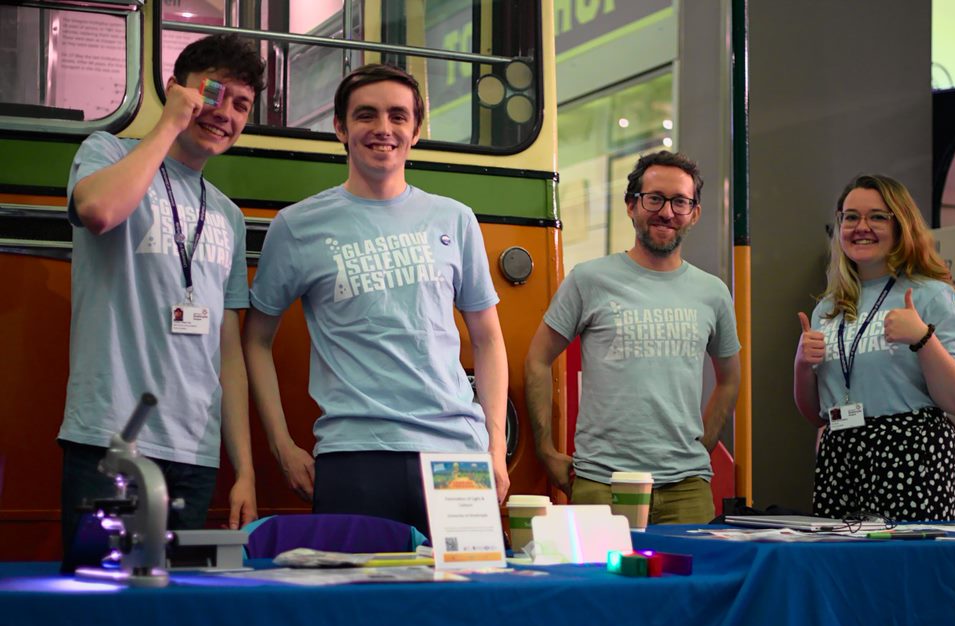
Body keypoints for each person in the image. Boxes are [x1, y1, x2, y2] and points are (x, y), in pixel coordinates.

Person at [244, 63, 508, 536]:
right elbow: (256, 340)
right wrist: (282, 445)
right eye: (366, 115)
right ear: (341, 128)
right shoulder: (297, 226)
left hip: (458, 457)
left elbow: (488, 340)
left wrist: (493, 449)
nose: (383, 129)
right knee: (357, 607)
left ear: (416, 130)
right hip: (353, 456)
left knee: (466, 602)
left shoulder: (455, 219)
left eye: (398, 116)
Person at [59, 34, 265, 550]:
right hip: (112, 438)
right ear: (179, 90)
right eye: (215, 95)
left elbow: (229, 353)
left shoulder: (228, 215)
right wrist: (169, 123)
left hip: (194, 453)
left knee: (171, 615)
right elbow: (99, 212)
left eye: (242, 106)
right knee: (100, 610)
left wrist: (243, 469)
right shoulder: (106, 152)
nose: (227, 115)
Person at [524, 151, 741, 524]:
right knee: (601, 584)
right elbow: (538, 359)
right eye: (654, 198)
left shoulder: (713, 292)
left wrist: (701, 447)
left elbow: (731, 378)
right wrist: (545, 451)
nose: (667, 212)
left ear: (695, 213)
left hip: (686, 490)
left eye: (680, 202)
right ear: (631, 205)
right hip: (601, 484)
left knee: (688, 584)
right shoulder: (589, 279)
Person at [793, 174, 955, 522]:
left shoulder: (930, 295)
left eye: (877, 216)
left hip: (910, 453)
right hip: (840, 454)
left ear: (901, 224)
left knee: (904, 568)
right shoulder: (828, 308)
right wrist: (802, 365)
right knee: (843, 569)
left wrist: (923, 338)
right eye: (851, 217)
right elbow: (815, 414)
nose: (862, 227)